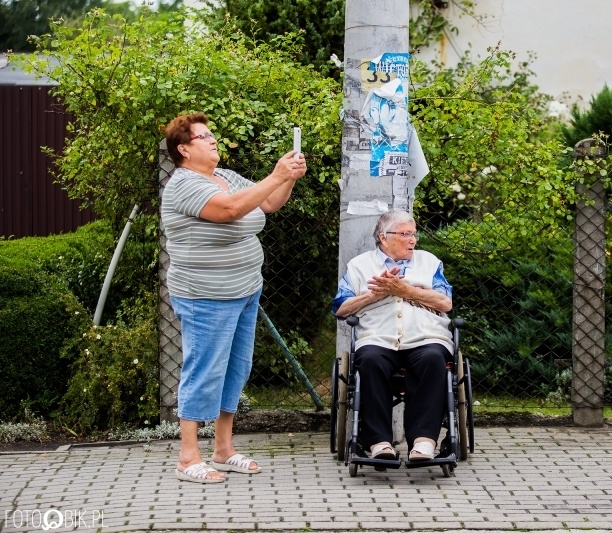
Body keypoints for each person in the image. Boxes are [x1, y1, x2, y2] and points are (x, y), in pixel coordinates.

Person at [162, 112, 307, 483]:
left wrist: (286, 178)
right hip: (204, 294)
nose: (213, 140)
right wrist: (275, 174)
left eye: (213, 134)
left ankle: (223, 449)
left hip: (244, 289)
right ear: (183, 148)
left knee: (236, 369)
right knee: (204, 368)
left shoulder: (223, 177)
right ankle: (187, 457)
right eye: (203, 136)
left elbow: (268, 203)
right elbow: (229, 210)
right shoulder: (184, 184)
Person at [331, 211, 454, 461]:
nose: (413, 240)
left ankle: (423, 442)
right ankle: (379, 442)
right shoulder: (360, 266)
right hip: (377, 337)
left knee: (433, 359)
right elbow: (340, 308)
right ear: (383, 237)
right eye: (405, 234)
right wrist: (375, 295)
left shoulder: (429, 262)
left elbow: (445, 302)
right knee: (371, 361)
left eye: (413, 234)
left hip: (426, 336)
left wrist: (405, 290)